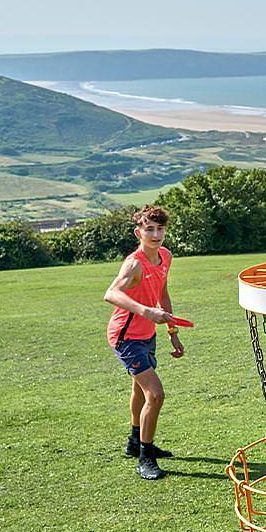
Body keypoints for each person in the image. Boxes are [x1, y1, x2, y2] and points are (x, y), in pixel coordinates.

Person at [103, 205, 187, 480]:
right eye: (149, 229)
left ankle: (134, 440)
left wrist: (172, 331)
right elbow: (111, 293)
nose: (155, 234)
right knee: (156, 394)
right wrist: (146, 311)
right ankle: (145, 457)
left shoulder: (165, 256)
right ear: (138, 232)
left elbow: (162, 292)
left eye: (160, 228)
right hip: (125, 337)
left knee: (140, 390)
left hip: (147, 333)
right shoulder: (134, 263)